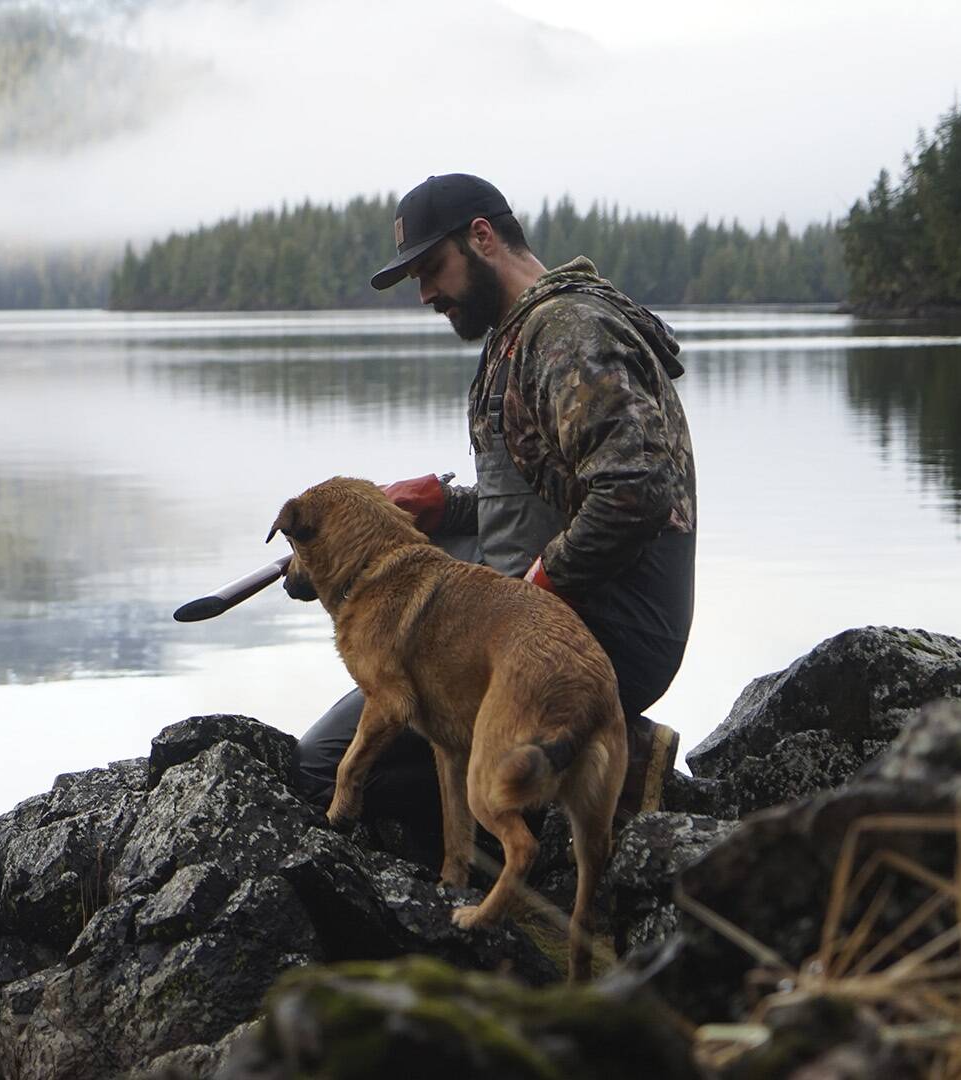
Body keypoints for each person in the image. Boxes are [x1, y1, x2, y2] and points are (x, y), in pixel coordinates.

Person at [291, 173, 694, 862]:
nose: (425, 294)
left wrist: (535, 593)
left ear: (482, 237)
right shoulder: (519, 335)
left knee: (322, 770)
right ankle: (589, 753)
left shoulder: (567, 331)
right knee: (428, 565)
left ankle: (605, 763)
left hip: (604, 633)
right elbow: (552, 495)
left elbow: (635, 488)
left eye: (431, 268)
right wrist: (445, 505)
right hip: (550, 624)